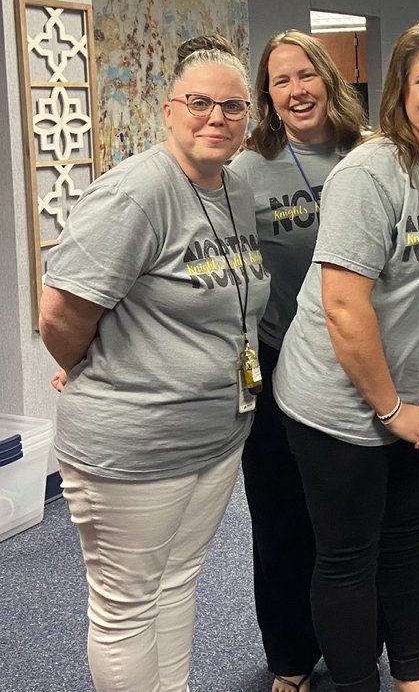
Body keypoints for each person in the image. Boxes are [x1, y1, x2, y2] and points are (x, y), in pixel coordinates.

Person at [271, 22, 419, 692]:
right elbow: (344, 307)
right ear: (399, 93)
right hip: (339, 401)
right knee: (348, 555)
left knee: (406, 538)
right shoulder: (370, 174)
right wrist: (393, 409)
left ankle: (415, 683)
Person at [39, 43, 270, 692]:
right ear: (169, 109)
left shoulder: (234, 189)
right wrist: (100, 367)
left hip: (212, 432)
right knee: (126, 605)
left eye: (231, 105)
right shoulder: (137, 192)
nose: (215, 117)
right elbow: (60, 313)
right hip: (133, 443)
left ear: (246, 116)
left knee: (178, 580)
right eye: (199, 102)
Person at [231, 29, 366, 692]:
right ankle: (288, 654)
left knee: (350, 516)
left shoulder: (367, 156)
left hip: (356, 359)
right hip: (276, 355)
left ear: (328, 79)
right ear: (268, 95)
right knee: (281, 515)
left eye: (306, 74)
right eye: (280, 81)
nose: (296, 89)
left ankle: (354, 644)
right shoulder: (247, 168)